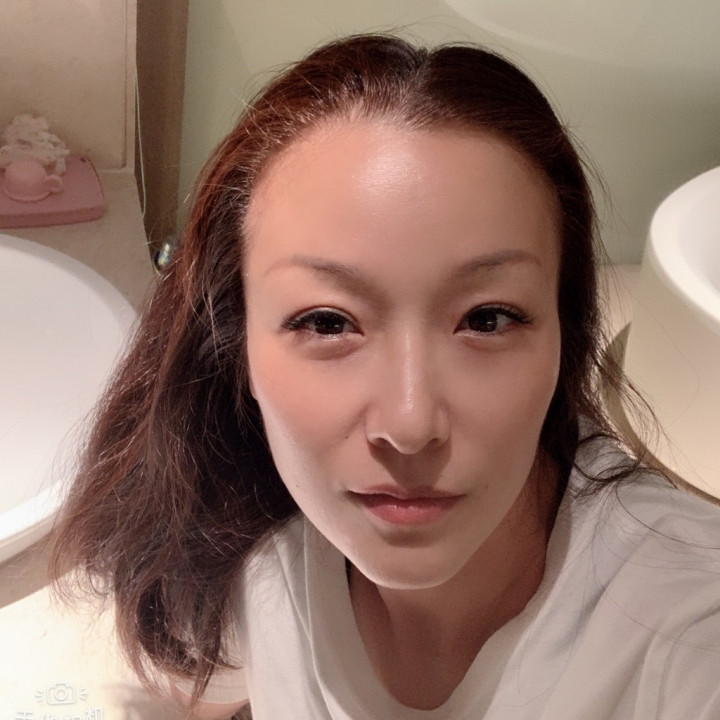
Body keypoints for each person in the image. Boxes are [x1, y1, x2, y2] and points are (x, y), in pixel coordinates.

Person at [49, 34, 720, 720]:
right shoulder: (236, 528)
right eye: (327, 323)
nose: (409, 424)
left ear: (563, 340)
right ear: (235, 344)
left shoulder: (687, 632)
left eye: (487, 319)